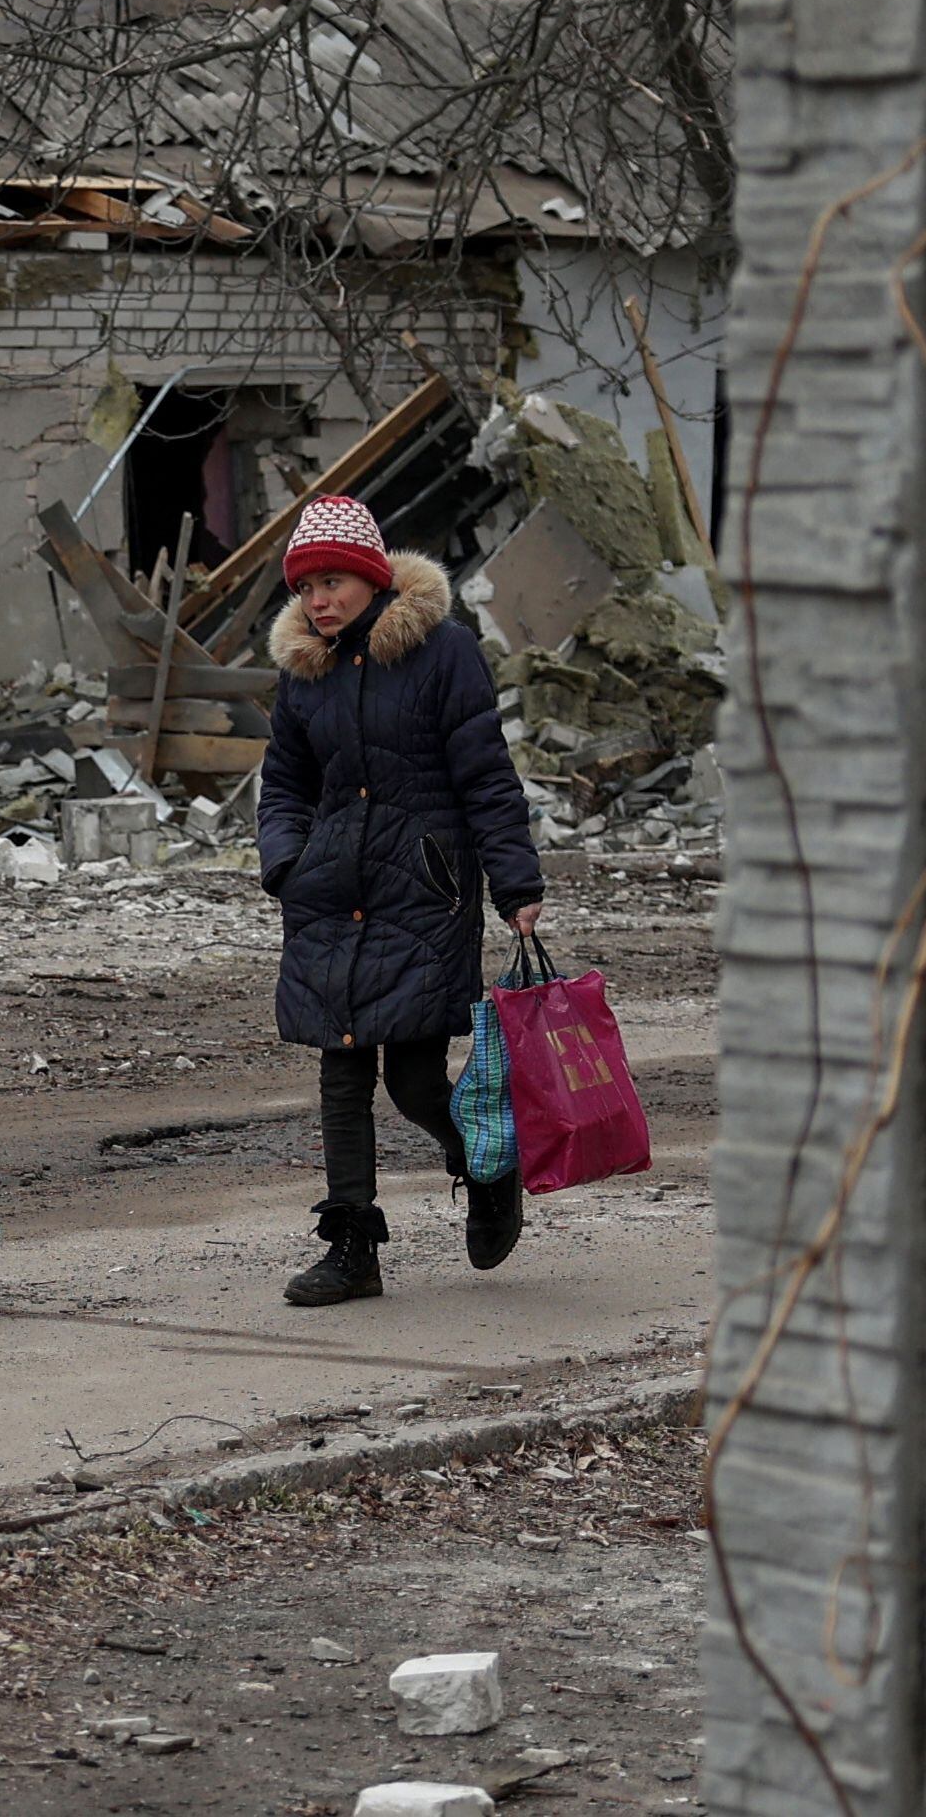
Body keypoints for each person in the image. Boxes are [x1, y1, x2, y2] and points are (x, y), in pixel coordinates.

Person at [256, 494, 544, 1308]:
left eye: (334, 581)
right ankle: (352, 1249)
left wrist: (516, 883)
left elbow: (486, 776)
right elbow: (283, 784)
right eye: (307, 585)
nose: (318, 600)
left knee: (414, 1079)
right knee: (340, 1073)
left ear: (374, 579)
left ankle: (487, 1165)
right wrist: (287, 861)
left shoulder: (442, 653)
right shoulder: (304, 671)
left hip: (422, 891)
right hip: (328, 892)